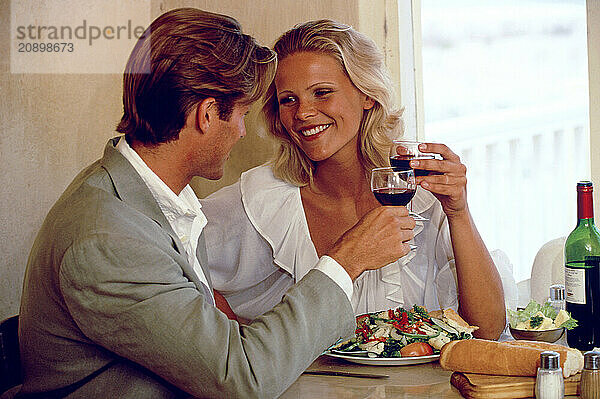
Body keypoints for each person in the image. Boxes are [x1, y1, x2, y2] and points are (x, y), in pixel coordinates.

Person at [14, 9, 415, 399]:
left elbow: (207, 341)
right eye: (241, 113)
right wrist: (345, 261)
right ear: (207, 115)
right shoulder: (110, 241)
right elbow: (241, 380)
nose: (243, 132)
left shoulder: (146, 197)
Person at [200, 19, 507, 340]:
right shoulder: (264, 197)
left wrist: (458, 213)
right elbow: (179, 256)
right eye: (288, 99)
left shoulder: (418, 184)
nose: (303, 113)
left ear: (367, 95)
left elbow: (488, 328)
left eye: (322, 93)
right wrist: (236, 346)